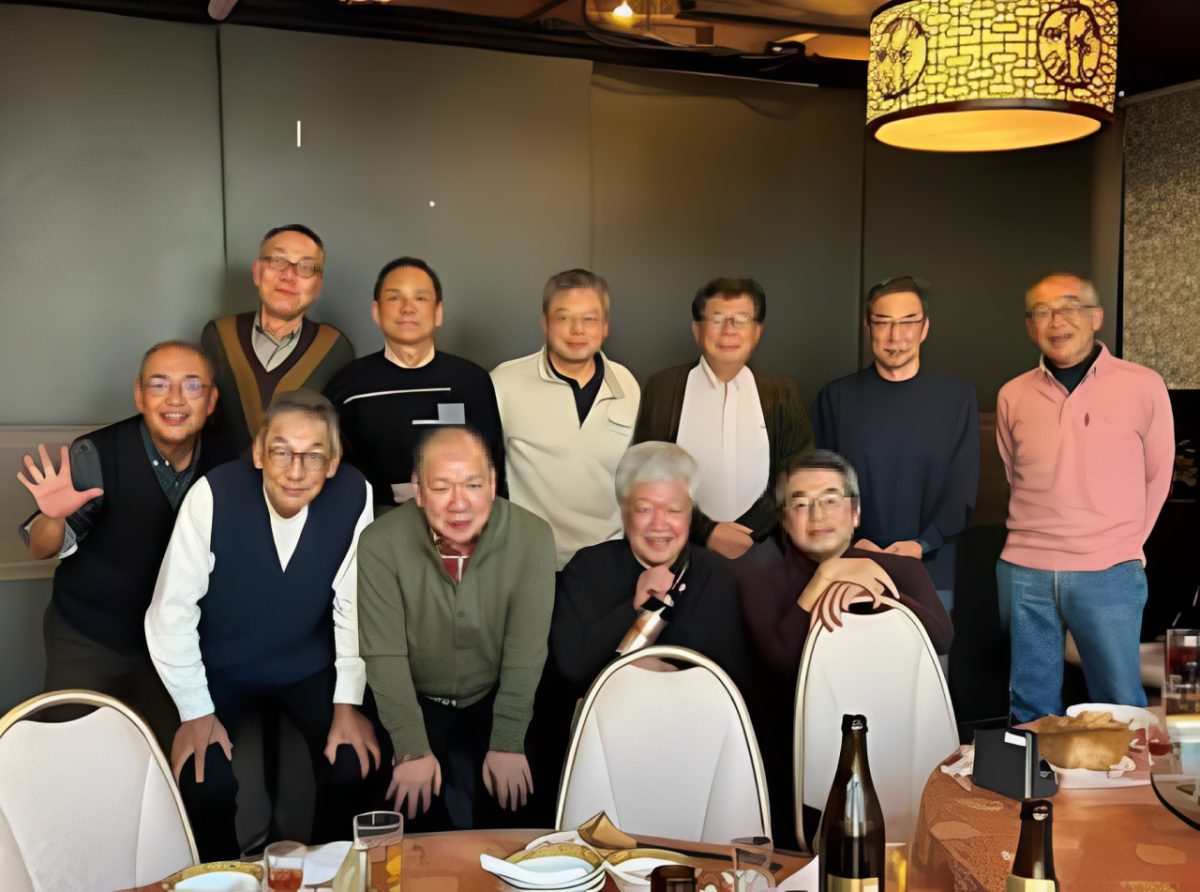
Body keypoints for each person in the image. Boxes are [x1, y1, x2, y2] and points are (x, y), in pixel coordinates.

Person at [145, 390, 379, 861]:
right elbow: (171, 611)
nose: (296, 471)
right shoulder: (214, 494)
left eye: (314, 456)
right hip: (219, 668)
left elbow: (353, 605)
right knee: (203, 778)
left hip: (306, 665)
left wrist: (348, 702)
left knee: (356, 763)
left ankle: (331, 875)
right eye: (281, 452)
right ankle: (218, 879)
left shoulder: (356, 494)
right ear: (258, 452)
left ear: (333, 463)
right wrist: (195, 710)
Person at [736, 449, 953, 848]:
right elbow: (777, 664)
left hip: (897, 753)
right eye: (801, 503)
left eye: (831, 500)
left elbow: (941, 635)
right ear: (784, 520)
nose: (818, 514)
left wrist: (874, 592)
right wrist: (826, 577)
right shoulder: (757, 576)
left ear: (855, 513)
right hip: (795, 773)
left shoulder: (899, 568)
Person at [17, 341, 219, 751]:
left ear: (211, 399)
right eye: (159, 385)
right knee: (73, 751)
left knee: (170, 758)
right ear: (140, 396)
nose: (175, 399)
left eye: (192, 385)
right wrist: (53, 516)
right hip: (87, 638)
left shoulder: (227, 460)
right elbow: (42, 548)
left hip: (169, 647)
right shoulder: (95, 452)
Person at [357, 426, 555, 830]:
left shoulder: (533, 537)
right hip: (417, 695)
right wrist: (411, 748)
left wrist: (508, 740)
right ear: (418, 491)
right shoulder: (380, 542)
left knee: (520, 805)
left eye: (473, 484)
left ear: (494, 485)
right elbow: (384, 655)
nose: (459, 503)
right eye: (442, 486)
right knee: (402, 812)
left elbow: (526, 649)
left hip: (495, 691)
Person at [996, 274, 1174, 723]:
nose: (1057, 320)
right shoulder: (1011, 394)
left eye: (1070, 307)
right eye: (1042, 311)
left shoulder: (1144, 385)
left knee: (1118, 702)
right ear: (1030, 326)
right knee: (1029, 701)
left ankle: (1124, 775)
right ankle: (1038, 773)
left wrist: (1125, 547)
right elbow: (1015, 476)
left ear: (1096, 317)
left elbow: (1158, 477)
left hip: (1110, 569)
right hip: (1024, 570)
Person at [811, 275, 979, 617]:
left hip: (932, 571)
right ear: (868, 326)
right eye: (883, 322)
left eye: (908, 322)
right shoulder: (835, 398)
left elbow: (961, 492)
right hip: (852, 566)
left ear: (925, 327)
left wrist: (922, 544)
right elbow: (822, 487)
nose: (895, 336)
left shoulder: (957, 398)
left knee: (928, 652)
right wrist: (849, 543)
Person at [551, 441, 754, 692]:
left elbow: (740, 681)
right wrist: (633, 607)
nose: (659, 524)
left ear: (690, 516)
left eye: (674, 510)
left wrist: (669, 675)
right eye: (644, 508)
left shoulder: (719, 577)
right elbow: (573, 669)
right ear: (624, 514)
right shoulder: (587, 569)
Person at [633, 277, 812, 559]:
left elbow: (800, 479)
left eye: (741, 320)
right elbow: (644, 475)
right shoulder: (663, 388)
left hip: (764, 556)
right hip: (681, 553)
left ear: (757, 332)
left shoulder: (783, 395)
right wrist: (706, 531)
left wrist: (751, 535)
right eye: (716, 319)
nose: (729, 331)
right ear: (697, 329)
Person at [325, 257, 506, 510]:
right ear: (376, 312)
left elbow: (494, 467)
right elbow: (334, 476)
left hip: (462, 519)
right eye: (395, 297)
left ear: (438, 313)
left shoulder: (472, 381)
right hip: (375, 524)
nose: (408, 308)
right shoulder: (347, 387)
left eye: (420, 298)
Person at [491, 269, 640, 569]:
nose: (577, 330)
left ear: (605, 326)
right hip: (529, 560)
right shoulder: (503, 383)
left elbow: (636, 479)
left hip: (609, 558)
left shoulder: (627, 384)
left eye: (589, 319)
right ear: (545, 323)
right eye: (564, 318)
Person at [201, 224, 354, 463]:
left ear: (318, 285)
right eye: (277, 261)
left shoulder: (335, 348)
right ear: (257, 272)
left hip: (300, 481)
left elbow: (340, 437)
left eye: (305, 267)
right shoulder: (218, 334)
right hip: (223, 480)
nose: (289, 276)